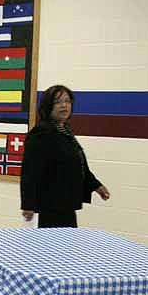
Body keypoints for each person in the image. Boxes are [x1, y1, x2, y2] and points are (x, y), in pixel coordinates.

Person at [20, 84, 110, 228]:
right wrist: (28, 205)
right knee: (51, 249)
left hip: (66, 205)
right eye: (57, 102)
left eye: (67, 101)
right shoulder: (41, 133)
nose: (64, 105)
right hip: (48, 207)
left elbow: (77, 164)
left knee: (67, 248)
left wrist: (96, 185)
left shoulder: (64, 131)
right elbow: (29, 172)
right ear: (48, 106)